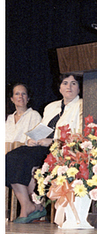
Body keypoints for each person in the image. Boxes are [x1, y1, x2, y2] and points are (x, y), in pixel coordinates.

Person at [6, 73, 83, 223]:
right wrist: (31, 140)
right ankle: (28, 205)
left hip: (62, 148)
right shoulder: (51, 107)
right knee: (10, 158)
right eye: (65, 83)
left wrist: (54, 141)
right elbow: (41, 128)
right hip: (42, 147)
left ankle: (32, 207)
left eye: (73, 83)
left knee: (24, 160)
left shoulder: (81, 105)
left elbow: (78, 133)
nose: (69, 87)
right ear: (59, 87)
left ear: (79, 88)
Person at [5, 83, 41, 151]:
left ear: (28, 98)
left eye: (23, 94)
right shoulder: (8, 118)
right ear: (12, 99)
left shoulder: (34, 115)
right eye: (17, 94)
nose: (20, 96)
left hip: (23, 155)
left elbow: (36, 141)